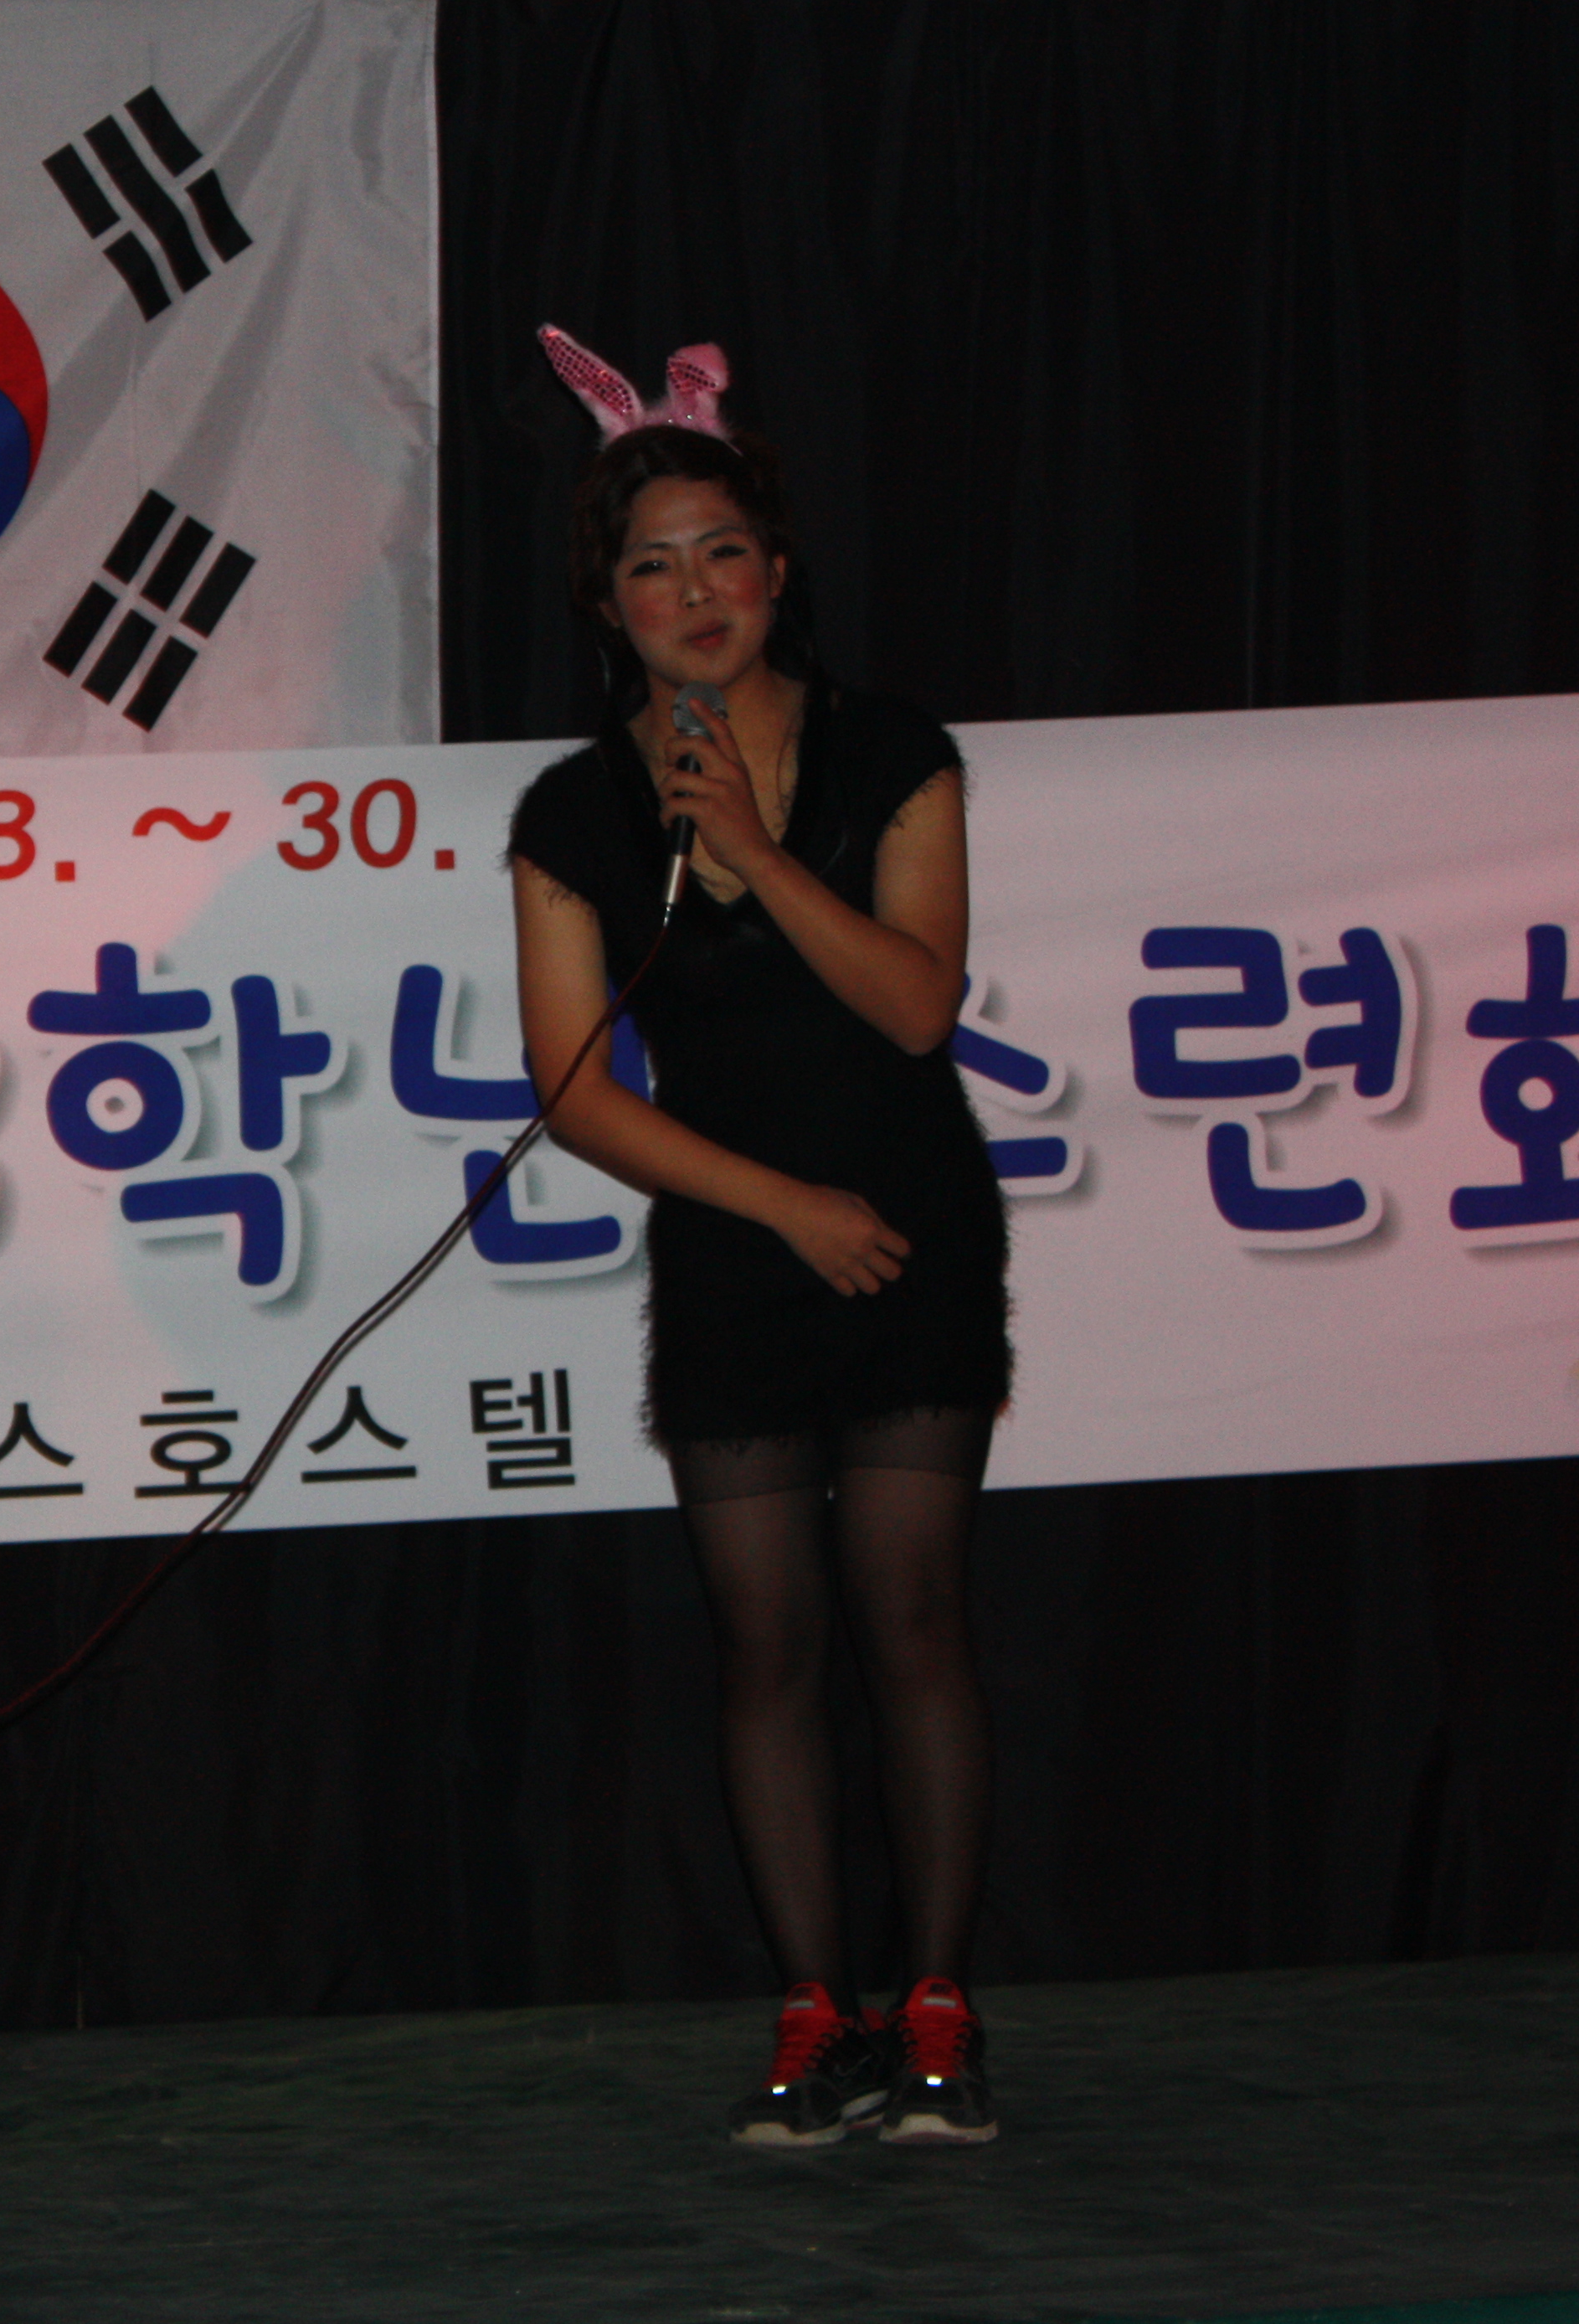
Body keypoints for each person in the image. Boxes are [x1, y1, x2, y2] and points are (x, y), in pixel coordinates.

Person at [507, 328, 1011, 2147]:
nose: (695, 591)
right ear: (610, 607)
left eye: (723, 551)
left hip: (908, 1233)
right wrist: (778, 1206)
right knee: (766, 1639)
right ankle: (816, 2010)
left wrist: (758, 847)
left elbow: (917, 1006)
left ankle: (937, 2004)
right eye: (653, 566)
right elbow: (575, 1088)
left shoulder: (894, 753)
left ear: (779, 569)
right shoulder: (575, 812)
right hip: (741, 1246)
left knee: (913, 1615)